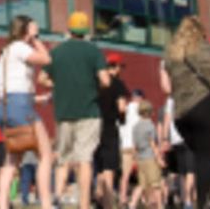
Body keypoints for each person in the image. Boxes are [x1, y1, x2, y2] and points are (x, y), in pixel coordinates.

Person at [159, 17, 210, 209]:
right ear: (201, 32)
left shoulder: (169, 54)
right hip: (206, 107)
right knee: (206, 157)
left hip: (181, 114)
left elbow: (166, 88)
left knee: (203, 156)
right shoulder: (209, 50)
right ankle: (202, 203)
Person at [40, 12, 109, 209]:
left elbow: (42, 79)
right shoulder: (94, 51)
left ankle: (58, 198)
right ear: (86, 31)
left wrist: (59, 83)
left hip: (63, 113)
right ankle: (84, 204)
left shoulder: (56, 52)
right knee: (84, 159)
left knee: (63, 159)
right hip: (89, 112)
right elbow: (105, 80)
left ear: (69, 30)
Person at [0, 15, 54, 209]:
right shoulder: (20, 47)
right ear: (26, 29)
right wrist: (35, 39)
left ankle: (2, 205)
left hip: (6, 106)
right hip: (21, 105)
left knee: (11, 159)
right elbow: (46, 59)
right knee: (45, 154)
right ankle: (46, 204)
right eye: (33, 26)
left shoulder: (5, 53)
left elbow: (10, 87)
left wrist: (37, 99)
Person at [94, 52, 129, 209]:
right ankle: (107, 204)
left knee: (99, 168)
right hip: (109, 128)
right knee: (109, 168)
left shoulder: (95, 83)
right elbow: (122, 107)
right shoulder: (117, 84)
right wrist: (123, 118)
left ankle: (99, 198)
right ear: (115, 67)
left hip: (94, 128)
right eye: (120, 67)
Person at [160, 96, 195, 209]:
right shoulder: (193, 95)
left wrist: (165, 139)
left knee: (183, 172)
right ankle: (188, 201)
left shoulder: (171, 99)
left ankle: (185, 200)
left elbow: (167, 119)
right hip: (190, 137)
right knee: (191, 171)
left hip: (176, 139)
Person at [128, 101, 164, 209]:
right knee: (156, 184)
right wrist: (159, 158)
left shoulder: (135, 127)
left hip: (140, 159)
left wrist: (134, 158)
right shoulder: (150, 126)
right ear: (150, 112)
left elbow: (134, 146)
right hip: (150, 158)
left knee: (141, 185)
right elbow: (153, 144)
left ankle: (132, 204)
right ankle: (160, 206)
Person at [118, 89, 144, 207]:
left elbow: (119, 127)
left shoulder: (124, 110)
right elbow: (138, 129)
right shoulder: (139, 111)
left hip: (124, 145)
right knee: (143, 175)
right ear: (140, 98)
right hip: (136, 146)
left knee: (125, 175)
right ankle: (138, 200)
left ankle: (122, 198)